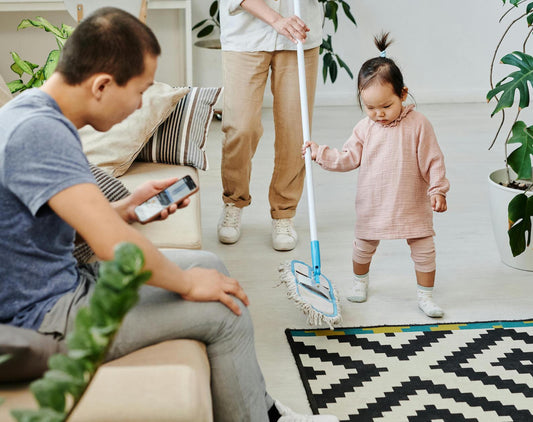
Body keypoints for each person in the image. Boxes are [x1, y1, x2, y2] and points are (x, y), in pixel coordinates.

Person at [0, 8, 338, 422]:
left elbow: (48, 227)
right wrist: (186, 284)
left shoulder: (33, 112)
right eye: (140, 91)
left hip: (59, 286)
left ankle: (264, 410)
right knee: (222, 308)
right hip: (47, 318)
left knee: (209, 263)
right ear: (102, 85)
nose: (141, 104)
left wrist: (125, 209)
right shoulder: (41, 133)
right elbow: (113, 246)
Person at [303, 33, 450, 318]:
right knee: (363, 246)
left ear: (403, 95)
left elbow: (434, 160)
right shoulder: (364, 129)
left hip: (411, 204)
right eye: (370, 108)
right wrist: (320, 153)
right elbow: (348, 158)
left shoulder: (419, 125)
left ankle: (426, 295)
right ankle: (360, 282)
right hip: (375, 203)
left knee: (424, 249)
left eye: (386, 106)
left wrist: (438, 189)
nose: (378, 114)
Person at [217, 0, 322, 251]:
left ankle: (284, 212)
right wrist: (276, 19)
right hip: (245, 35)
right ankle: (234, 201)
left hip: (299, 33)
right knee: (241, 127)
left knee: (295, 130)